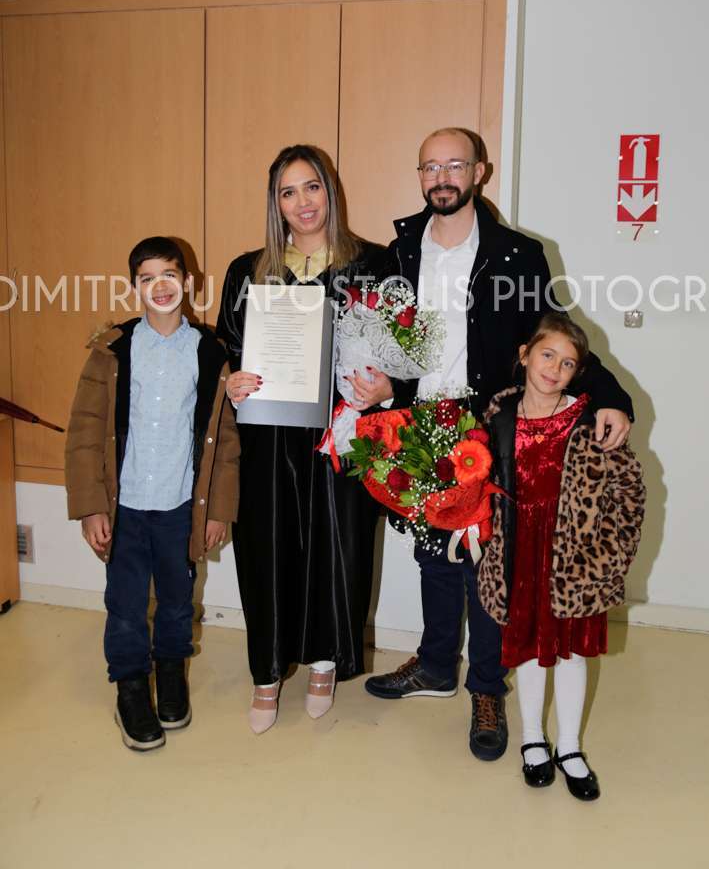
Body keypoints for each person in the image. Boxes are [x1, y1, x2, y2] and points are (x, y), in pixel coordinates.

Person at [353, 127, 634, 763]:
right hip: (421, 424)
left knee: (486, 563)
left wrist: (611, 396)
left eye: (454, 164)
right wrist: (380, 386)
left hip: (487, 428)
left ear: (479, 171)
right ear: (419, 175)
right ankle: (434, 665)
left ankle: (486, 687)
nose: (441, 177)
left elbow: (555, 334)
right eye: (430, 166)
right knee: (432, 555)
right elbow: (382, 336)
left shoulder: (516, 254)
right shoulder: (401, 251)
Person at [217, 144, 382, 734]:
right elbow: (227, 348)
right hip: (268, 437)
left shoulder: (373, 265)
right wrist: (231, 380)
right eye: (288, 192)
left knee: (339, 546)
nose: (302, 202)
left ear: (329, 191)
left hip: (342, 432)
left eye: (311, 187)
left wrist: (385, 384)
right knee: (266, 547)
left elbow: (400, 347)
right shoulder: (249, 270)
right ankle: (266, 671)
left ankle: (324, 662)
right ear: (275, 203)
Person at [65, 237, 240, 752]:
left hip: (181, 508)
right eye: (147, 278)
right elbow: (84, 430)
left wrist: (218, 512)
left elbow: (226, 442)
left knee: (177, 602)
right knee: (124, 605)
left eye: (169, 274)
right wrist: (91, 507)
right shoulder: (112, 350)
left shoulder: (210, 352)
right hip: (125, 509)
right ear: (134, 287)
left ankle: (171, 674)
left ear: (188, 282)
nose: (160, 285)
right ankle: (131, 688)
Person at [478, 313, 645, 799]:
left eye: (568, 363)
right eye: (547, 355)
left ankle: (569, 746)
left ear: (578, 373)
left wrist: (607, 557)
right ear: (525, 355)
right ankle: (533, 738)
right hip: (521, 555)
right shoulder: (497, 416)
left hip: (574, 562)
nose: (554, 369)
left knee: (570, 654)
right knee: (530, 650)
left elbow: (629, 493)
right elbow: (479, 484)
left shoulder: (590, 422)